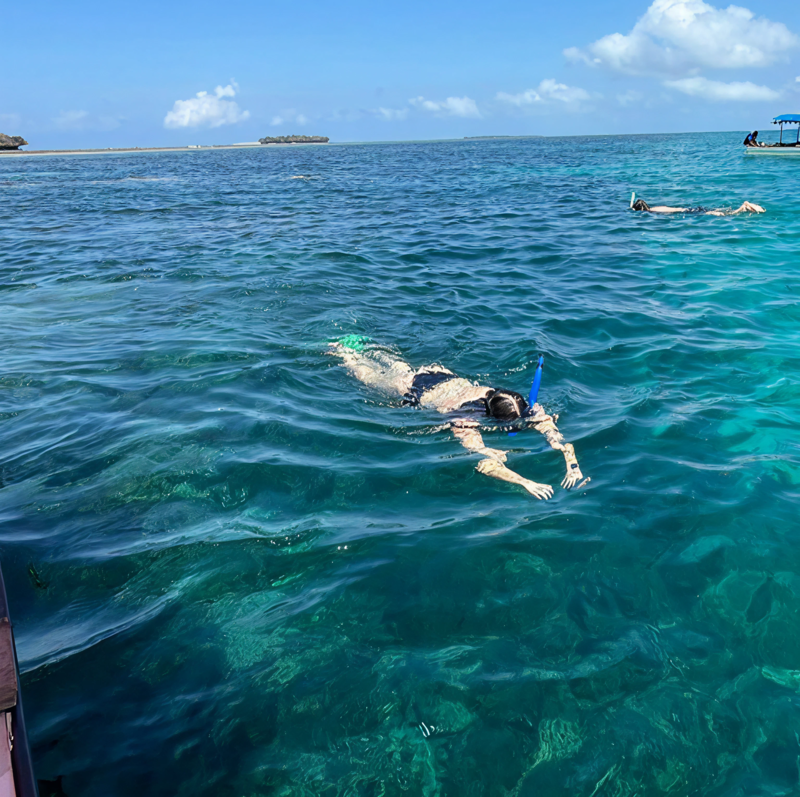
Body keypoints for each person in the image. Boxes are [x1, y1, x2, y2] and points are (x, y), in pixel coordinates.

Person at [329, 338, 588, 499]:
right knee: (366, 374)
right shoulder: (465, 418)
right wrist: (525, 482)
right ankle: (341, 352)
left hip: (439, 374)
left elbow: (556, 435)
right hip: (418, 390)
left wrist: (571, 464)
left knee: (397, 366)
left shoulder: (516, 403)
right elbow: (482, 461)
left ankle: (358, 345)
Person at [631, 196, 765, 216]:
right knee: (721, 212)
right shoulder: (655, 207)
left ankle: (743, 208)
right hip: (690, 208)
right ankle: (743, 208)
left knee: (722, 215)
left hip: (689, 212)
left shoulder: (652, 212)